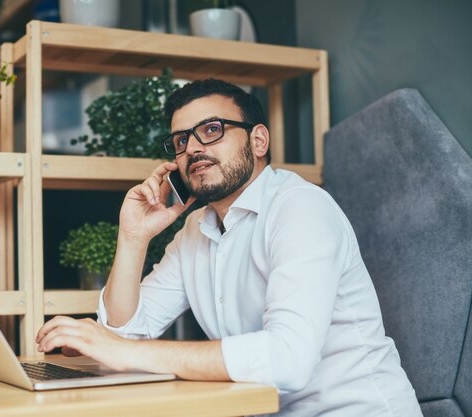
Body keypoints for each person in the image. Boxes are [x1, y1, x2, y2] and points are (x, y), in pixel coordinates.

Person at [36, 79, 422, 416]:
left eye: (212, 129)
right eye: (181, 140)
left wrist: (122, 351)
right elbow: (126, 336)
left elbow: (288, 360)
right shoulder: (194, 230)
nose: (192, 149)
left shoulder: (301, 207)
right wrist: (133, 238)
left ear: (258, 140)